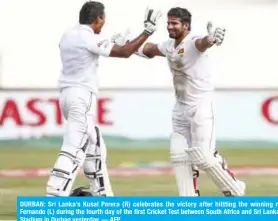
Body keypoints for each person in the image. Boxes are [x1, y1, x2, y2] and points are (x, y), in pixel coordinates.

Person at [45, 1, 162, 197]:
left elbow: (95, 47)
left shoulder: (69, 35)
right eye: (103, 19)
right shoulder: (86, 37)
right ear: (98, 19)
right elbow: (124, 53)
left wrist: (120, 41)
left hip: (67, 95)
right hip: (81, 97)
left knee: (95, 147)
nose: (104, 23)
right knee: (74, 147)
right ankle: (54, 195)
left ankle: (103, 196)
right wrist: (147, 32)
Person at [132, 7, 246, 196]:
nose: (170, 26)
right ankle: (189, 199)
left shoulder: (193, 42)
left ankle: (235, 189)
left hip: (200, 107)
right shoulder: (169, 45)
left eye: (174, 23)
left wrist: (211, 39)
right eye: (168, 23)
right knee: (179, 156)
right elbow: (150, 49)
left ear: (185, 26)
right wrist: (128, 44)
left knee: (204, 157)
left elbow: (203, 43)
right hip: (180, 108)